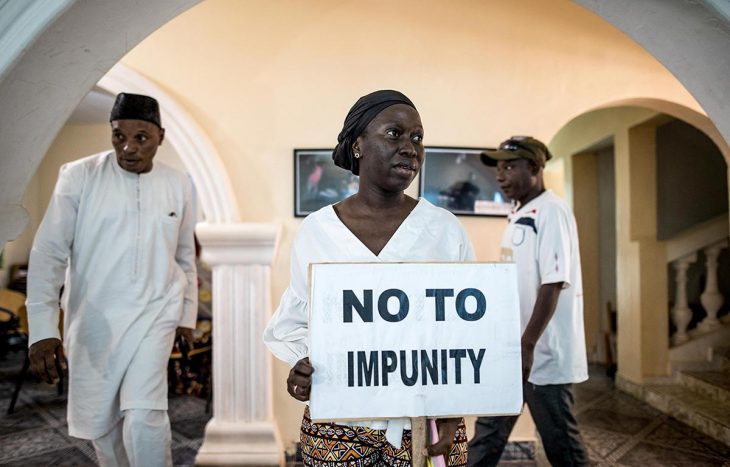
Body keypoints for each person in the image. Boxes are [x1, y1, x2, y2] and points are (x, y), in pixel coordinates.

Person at [264, 90, 475, 466]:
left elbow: (465, 332)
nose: (410, 148)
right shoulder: (318, 231)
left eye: (417, 138)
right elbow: (296, 320)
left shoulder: (444, 229)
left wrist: (453, 406)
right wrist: (302, 366)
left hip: (425, 421)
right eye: (394, 134)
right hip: (337, 421)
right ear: (358, 145)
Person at [26, 92, 197, 467]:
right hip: (94, 321)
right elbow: (48, 252)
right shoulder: (78, 176)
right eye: (119, 136)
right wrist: (42, 327)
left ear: (160, 137)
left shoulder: (179, 182)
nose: (129, 147)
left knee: (144, 414)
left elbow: (185, 255)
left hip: (157, 312)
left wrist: (185, 316)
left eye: (141, 137)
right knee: (102, 425)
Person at [468, 136, 589, 466]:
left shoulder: (552, 212)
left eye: (509, 167)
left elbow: (552, 284)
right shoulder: (520, 211)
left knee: (561, 443)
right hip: (515, 349)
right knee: (489, 432)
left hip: (542, 355)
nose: (500, 175)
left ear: (535, 168)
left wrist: (527, 345)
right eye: (499, 168)